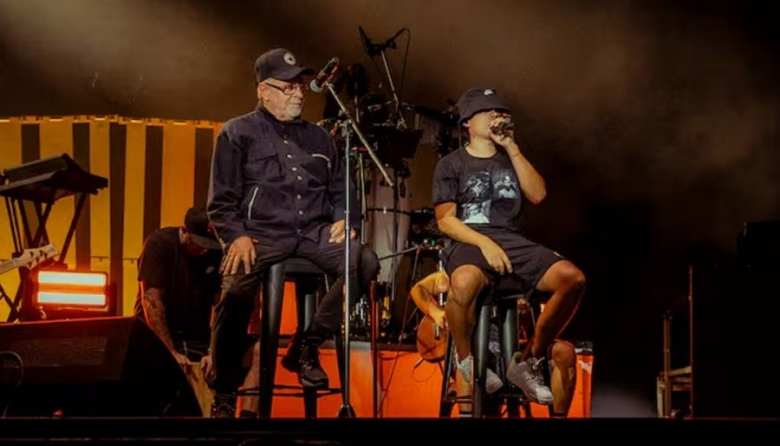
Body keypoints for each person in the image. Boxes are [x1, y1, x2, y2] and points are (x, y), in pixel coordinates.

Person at [206, 47, 380, 417]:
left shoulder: (321, 138)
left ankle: (305, 346)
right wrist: (234, 234)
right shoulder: (237, 132)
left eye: (301, 84)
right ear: (263, 90)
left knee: (363, 260)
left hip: (313, 233)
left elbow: (341, 192)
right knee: (236, 287)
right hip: (261, 234)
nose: (299, 92)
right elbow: (221, 199)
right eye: (288, 87)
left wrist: (344, 219)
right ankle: (224, 390)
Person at [432, 87, 586, 406]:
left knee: (572, 278)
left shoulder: (511, 159)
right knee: (463, 282)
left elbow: (538, 195)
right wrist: (484, 243)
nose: (497, 117)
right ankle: (467, 361)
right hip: (470, 239)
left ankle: (529, 360)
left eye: (501, 112)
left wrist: (512, 148)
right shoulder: (451, 164)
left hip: (512, 241)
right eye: (488, 112)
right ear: (467, 122)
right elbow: (446, 221)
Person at [410, 270, 578, 417]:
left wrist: (525, 317)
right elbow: (419, 289)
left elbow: (534, 330)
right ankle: (466, 415)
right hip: (472, 351)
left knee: (564, 351)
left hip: (515, 354)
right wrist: (436, 313)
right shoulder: (468, 270)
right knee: (469, 363)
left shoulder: (526, 272)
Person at [134, 205, 224, 417]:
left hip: (195, 335)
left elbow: (221, 305)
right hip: (153, 334)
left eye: (208, 246)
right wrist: (170, 352)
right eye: (198, 244)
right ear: (183, 231)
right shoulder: (159, 244)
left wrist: (213, 351)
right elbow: (152, 301)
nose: (203, 250)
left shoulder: (213, 253)